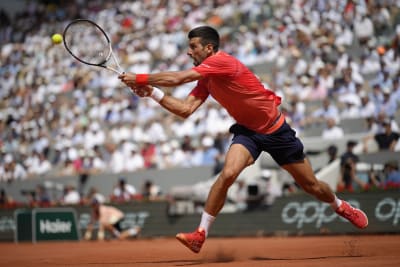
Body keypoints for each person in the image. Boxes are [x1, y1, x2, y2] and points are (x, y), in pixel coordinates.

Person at [118, 25, 368, 253]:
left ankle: (339, 205)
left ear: (209, 48)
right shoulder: (207, 79)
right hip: (248, 132)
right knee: (227, 174)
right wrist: (151, 92)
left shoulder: (221, 62)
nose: (188, 52)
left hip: (276, 130)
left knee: (311, 186)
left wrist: (140, 78)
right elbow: (185, 109)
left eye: (193, 46)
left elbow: (178, 78)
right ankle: (200, 234)